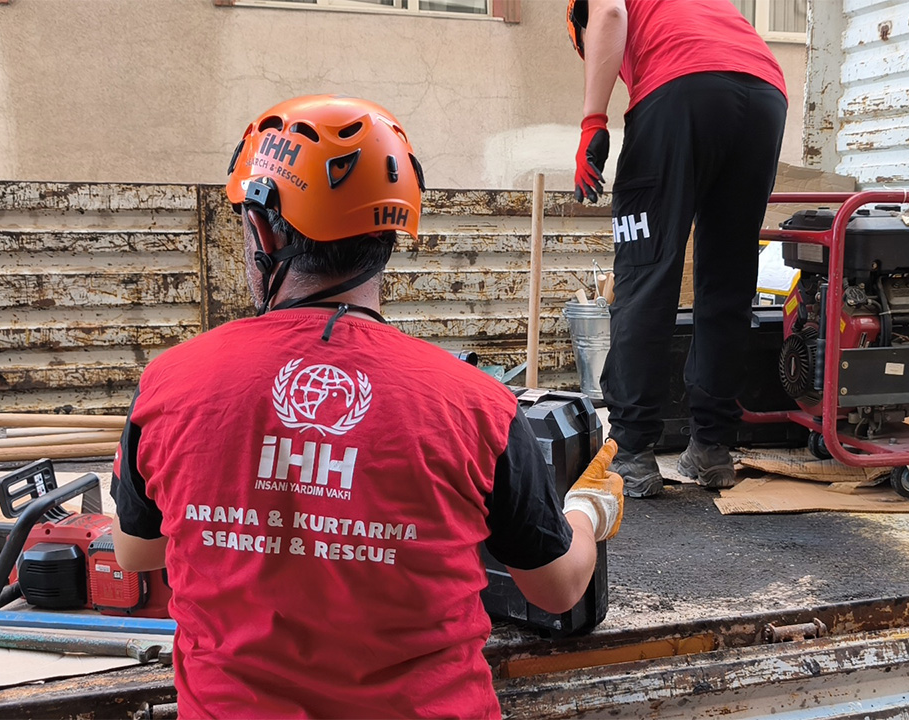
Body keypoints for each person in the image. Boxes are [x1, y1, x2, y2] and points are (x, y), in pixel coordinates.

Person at [109, 95, 624, 719]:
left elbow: (138, 553)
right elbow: (558, 587)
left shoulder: (170, 386)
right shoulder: (476, 406)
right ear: (387, 234)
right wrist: (587, 510)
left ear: (264, 229)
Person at [567, 0, 789, 497]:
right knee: (727, 278)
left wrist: (592, 122)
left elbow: (607, 16)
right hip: (764, 94)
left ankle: (632, 450)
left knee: (646, 272)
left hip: (680, 88)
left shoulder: (597, 12)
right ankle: (711, 448)